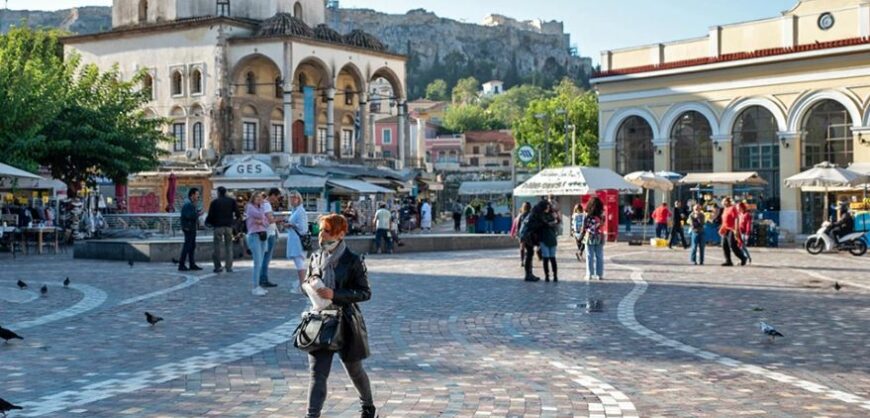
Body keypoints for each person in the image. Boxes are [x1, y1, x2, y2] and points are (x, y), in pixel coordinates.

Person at [303, 214, 376, 418]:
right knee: (317, 374)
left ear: (340, 234)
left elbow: (364, 292)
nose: (321, 236)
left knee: (355, 370)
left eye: (326, 231)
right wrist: (311, 285)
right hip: (321, 321)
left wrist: (335, 294)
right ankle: (312, 415)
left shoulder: (353, 260)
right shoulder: (316, 257)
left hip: (346, 323)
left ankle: (368, 407)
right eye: (320, 231)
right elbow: (307, 287)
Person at [205, 186, 239, 273]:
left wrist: (209, 223)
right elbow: (238, 214)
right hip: (228, 226)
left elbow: (210, 215)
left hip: (218, 226)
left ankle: (218, 266)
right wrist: (234, 223)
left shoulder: (214, 202)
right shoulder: (231, 201)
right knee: (229, 247)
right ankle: (229, 267)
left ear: (218, 193)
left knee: (217, 247)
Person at [245, 192, 269, 296]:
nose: (260, 200)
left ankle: (258, 285)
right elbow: (260, 215)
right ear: (253, 198)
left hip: (263, 235)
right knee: (257, 262)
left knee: (262, 260)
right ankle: (255, 287)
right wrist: (263, 206)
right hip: (254, 236)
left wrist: (262, 220)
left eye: (261, 198)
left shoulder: (260, 208)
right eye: (257, 198)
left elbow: (266, 222)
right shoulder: (250, 207)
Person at [286, 190, 309, 294]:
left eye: (294, 198)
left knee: (300, 263)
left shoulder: (300, 211)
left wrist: (292, 225)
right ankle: (302, 284)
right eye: (290, 198)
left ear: (299, 199)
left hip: (298, 241)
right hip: (294, 240)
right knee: (299, 263)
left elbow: (304, 228)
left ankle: (302, 286)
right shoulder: (295, 210)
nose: (292, 200)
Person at [259, 189, 283, 288]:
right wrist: (280, 219)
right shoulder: (267, 204)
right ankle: (263, 279)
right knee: (266, 258)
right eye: (277, 197)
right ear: (272, 195)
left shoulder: (262, 203)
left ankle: (261, 278)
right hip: (269, 233)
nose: (277, 200)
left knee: (263, 257)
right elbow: (270, 220)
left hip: (265, 233)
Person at [520, 200, 550, 282]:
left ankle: (529, 273)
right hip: (527, 235)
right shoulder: (535, 214)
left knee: (530, 254)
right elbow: (534, 225)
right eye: (546, 207)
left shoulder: (534, 213)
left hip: (525, 235)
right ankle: (528, 274)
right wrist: (543, 224)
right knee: (529, 254)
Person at [178, 188, 202, 272]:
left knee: (192, 246)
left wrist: (196, 213)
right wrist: (197, 214)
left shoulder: (192, 204)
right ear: (192, 195)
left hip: (191, 228)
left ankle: (192, 264)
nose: (198, 196)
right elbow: (188, 216)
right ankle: (181, 264)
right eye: (196, 194)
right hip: (188, 228)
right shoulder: (188, 205)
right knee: (187, 246)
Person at [581, 196, 606, 280]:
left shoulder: (587, 214)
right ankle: (600, 274)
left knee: (589, 256)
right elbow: (603, 224)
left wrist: (581, 235)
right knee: (599, 256)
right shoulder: (602, 214)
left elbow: (584, 226)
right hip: (599, 236)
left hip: (589, 236)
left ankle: (589, 274)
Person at [719, 197, 747, 266]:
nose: (723, 202)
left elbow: (736, 218)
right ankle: (728, 261)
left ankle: (743, 258)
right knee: (724, 245)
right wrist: (721, 228)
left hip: (732, 229)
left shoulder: (732, 208)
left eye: (724, 201)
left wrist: (736, 229)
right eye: (723, 201)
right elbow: (724, 220)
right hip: (725, 229)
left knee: (732, 245)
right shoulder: (725, 209)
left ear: (728, 202)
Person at [540, 202, 559, 282]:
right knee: (546, 258)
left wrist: (556, 220)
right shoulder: (541, 215)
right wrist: (554, 222)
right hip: (544, 239)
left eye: (549, 207)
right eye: (546, 207)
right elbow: (545, 224)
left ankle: (555, 275)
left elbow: (556, 224)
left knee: (552, 258)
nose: (548, 208)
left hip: (551, 239)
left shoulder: (552, 215)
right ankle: (547, 275)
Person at [510, 202, 532, 267]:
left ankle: (522, 261)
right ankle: (529, 262)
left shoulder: (520, 215)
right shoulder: (531, 215)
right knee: (529, 249)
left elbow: (516, 224)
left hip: (522, 234)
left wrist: (513, 233)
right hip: (529, 235)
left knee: (522, 248)